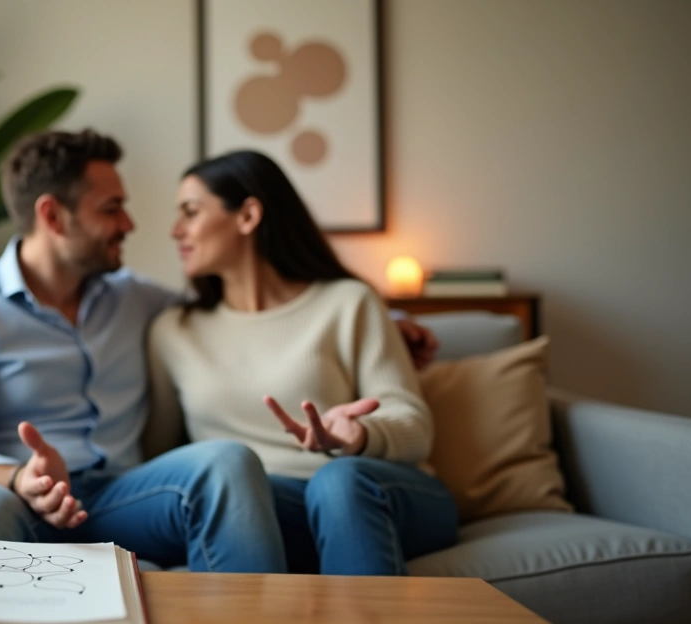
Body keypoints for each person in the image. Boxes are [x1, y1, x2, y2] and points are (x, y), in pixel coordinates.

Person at [0, 129, 437, 572]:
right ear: (53, 216)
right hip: (11, 494)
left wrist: (394, 322)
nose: (131, 225)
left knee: (226, 460)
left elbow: (248, 316)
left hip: (117, 497)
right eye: (112, 209)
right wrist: (17, 477)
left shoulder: (138, 301)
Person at [144, 149, 458, 576]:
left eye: (191, 212)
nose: (175, 230)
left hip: (379, 492)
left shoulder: (348, 303)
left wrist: (360, 435)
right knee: (241, 501)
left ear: (248, 216)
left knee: (338, 483)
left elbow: (415, 424)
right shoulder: (173, 331)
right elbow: (161, 454)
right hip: (269, 507)